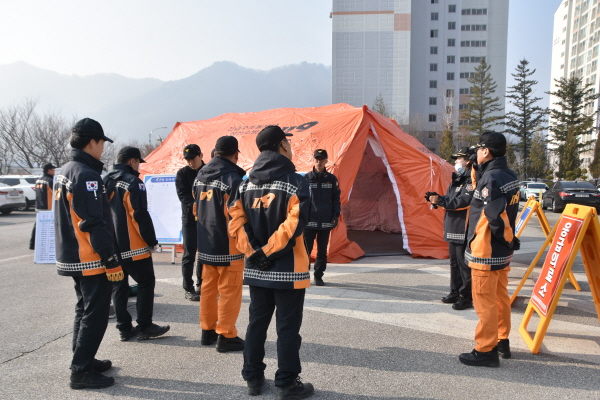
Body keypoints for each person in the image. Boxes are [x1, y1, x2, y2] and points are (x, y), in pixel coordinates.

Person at [229, 125, 314, 399]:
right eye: (288, 142)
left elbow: (236, 222)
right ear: (282, 145)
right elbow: (294, 224)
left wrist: (255, 252)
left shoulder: (244, 183)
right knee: (287, 329)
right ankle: (286, 384)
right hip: (288, 270)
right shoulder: (296, 182)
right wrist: (269, 251)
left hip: (256, 269)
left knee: (256, 323)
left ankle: (253, 377)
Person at [54, 118, 124, 389]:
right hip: (90, 256)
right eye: (102, 142)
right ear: (92, 142)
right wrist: (109, 258)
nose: (103, 148)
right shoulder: (86, 175)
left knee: (83, 309)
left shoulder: (65, 170)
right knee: (95, 314)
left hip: (72, 253)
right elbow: (93, 222)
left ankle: (82, 359)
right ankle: (81, 371)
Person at [459, 132, 520, 367]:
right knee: (500, 297)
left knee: (485, 302)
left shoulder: (491, 178)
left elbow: (495, 215)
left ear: (486, 151)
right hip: (501, 251)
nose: (475, 154)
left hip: (486, 250)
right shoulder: (507, 174)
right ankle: (502, 340)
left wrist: (507, 238)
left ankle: (485, 350)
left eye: (478, 150)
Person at [103, 146, 170, 342]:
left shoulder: (105, 180)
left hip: (111, 246)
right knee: (146, 283)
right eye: (138, 162)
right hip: (133, 246)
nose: (139, 166)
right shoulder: (133, 182)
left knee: (119, 287)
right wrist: (151, 241)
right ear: (132, 161)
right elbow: (139, 215)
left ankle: (124, 328)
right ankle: (145, 325)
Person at [193, 136, 246, 353]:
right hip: (228, 246)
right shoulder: (233, 179)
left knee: (208, 287)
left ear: (215, 152)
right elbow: (237, 216)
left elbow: (195, 210)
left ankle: (207, 330)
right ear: (236, 154)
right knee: (229, 291)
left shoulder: (199, 176)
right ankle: (226, 335)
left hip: (206, 243)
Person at [428, 147, 475, 310]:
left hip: (463, 227)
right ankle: (455, 291)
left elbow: (463, 202)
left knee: (464, 264)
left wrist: (442, 201)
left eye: (459, 159)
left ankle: (466, 296)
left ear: (468, 161)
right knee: (454, 263)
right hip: (452, 226)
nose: (456, 162)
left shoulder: (471, 180)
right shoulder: (457, 179)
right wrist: (437, 199)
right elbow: (450, 199)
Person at [303, 149, 341, 286]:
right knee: (305, 250)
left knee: (322, 251)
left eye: (321, 160)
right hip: (309, 222)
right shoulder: (306, 178)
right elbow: (301, 199)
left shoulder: (331, 179)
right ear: (313, 161)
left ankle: (318, 276)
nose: (319, 162)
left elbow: (336, 199)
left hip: (325, 221)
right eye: (317, 160)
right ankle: (303, 274)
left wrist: (335, 215)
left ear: (326, 161)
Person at [175, 144, 205, 301]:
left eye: (193, 158)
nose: (191, 162)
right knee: (189, 254)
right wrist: (197, 206)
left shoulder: (208, 171)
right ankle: (188, 287)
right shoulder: (182, 174)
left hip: (207, 220)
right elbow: (183, 196)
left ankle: (202, 284)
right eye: (188, 160)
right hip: (189, 219)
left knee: (204, 254)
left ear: (201, 155)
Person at [29, 162, 56, 250]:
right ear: (49, 170)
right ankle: (49, 245)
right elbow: (56, 193)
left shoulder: (38, 180)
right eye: (53, 169)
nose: (54, 171)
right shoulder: (50, 181)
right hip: (48, 207)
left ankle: (32, 244)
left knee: (37, 226)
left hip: (39, 206)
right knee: (50, 227)